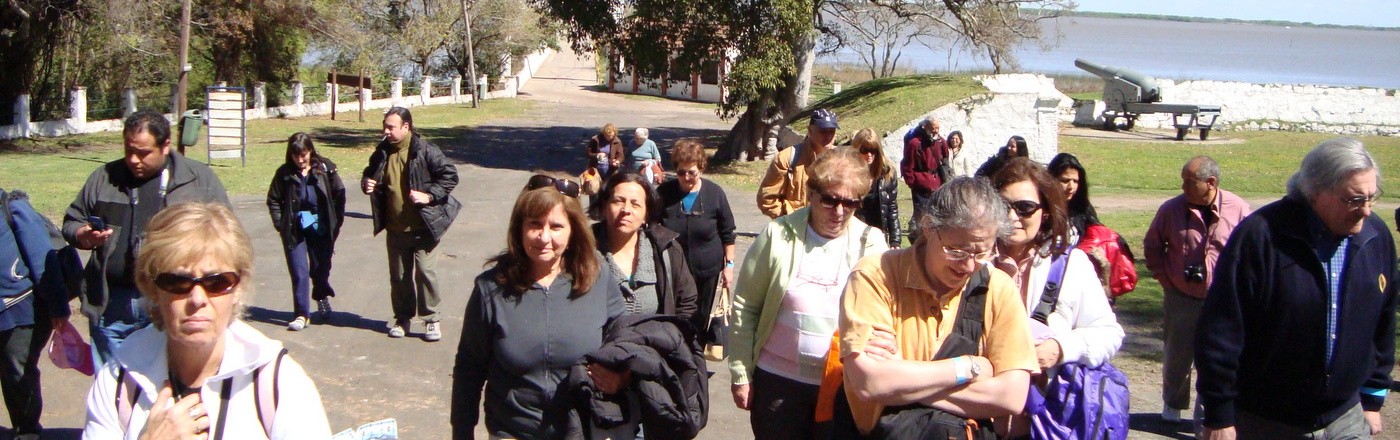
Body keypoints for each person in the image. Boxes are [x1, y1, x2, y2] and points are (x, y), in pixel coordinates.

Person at [1197, 138, 1395, 439]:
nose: (1365, 210)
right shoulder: (1262, 237)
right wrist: (1219, 414)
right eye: (1354, 199)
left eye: (1371, 197)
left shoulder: (1375, 236)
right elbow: (1221, 330)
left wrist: (1372, 398)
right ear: (1314, 191)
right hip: (1267, 421)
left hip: (1346, 417)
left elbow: (1382, 320)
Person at [81, 202, 332, 439]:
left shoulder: (278, 383)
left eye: (217, 282)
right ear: (152, 288)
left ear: (238, 288)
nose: (197, 299)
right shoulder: (120, 380)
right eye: (177, 282)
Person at [838, 177, 1036, 437]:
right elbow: (869, 383)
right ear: (929, 227)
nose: (968, 266)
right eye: (956, 251)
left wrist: (900, 384)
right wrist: (968, 367)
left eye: (982, 253)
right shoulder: (875, 276)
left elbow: (1011, 397)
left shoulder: (999, 288)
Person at [729, 148, 888, 439]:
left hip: (841, 387)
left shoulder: (872, 243)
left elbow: (886, 318)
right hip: (778, 385)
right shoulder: (778, 235)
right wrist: (740, 373)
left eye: (850, 203)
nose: (839, 212)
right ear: (811, 193)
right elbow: (745, 305)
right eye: (830, 200)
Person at [451, 177, 624, 440]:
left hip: (583, 431)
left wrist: (621, 378)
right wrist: (461, 433)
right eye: (534, 225)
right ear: (519, 229)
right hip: (512, 431)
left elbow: (625, 345)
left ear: (573, 230)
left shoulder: (598, 278)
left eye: (556, 226)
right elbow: (469, 368)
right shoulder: (491, 289)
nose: (544, 237)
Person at [62, 110, 230, 363]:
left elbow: (226, 236)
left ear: (165, 146)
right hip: (111, 305)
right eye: (129, 150)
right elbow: (73, 220)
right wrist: (83, 235)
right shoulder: (104, 178)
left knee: (161, 384)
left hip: (171, 301)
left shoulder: (197, 181)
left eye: (143, 153)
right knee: (112, 389)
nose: (133, 160)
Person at [990, 158, 1125, 436]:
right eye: (1004, 207)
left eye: (1025, 208)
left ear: (1047, 212)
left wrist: (1059, 348)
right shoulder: (976, 262)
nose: (1012, 218)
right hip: (981, 417)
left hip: (1046, 420)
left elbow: (1109, 333)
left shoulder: (1071, 264)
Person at [1143, 155, 1250, 425]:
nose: (1183, 188)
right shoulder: (1171, 209)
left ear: (1210, 182)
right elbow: (1153, 246)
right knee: (1178, 354)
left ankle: (1209, 412)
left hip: (1222, 299)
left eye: (1189, 182)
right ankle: (1173, 404)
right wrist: (1165, 280)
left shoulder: (1238, 209)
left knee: (1218, 356)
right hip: (1181, 297)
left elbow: (1251, 252)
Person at [361, 107, 461, 342]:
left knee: (425, 272)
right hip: (395, 228)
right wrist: (367, 183)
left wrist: (429, 196)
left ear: (406, 127)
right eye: (385, 126)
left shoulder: (424, 150)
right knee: (399, 276)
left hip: (423, 226)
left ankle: (431, 320)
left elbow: (450, 175)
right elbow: (370, 173)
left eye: (391, 127)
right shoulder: (382, 151)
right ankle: (402, 318)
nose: (386, 131)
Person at [1, 189, 69, 440]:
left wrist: (58, 306)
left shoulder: (12, 208)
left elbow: (43, 260)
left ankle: (27, 430)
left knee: (17, 370)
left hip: (20, 309)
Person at [591, 172, 700, 324]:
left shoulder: (667, 249)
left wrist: (670, 338)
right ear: (604, 207)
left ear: (646, 215)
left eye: (635, 204)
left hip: (652, 345)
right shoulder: (582, 250)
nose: (626, 210)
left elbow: (686, 303)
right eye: (618, 201)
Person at [657, 139, 737, 345]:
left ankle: (696, 356)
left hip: (706, 271)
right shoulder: (664, 194)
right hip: (672, 270)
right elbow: (651, 227)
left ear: (701, 168)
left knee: (700, 319)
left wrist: (729, 266)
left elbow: (728, 232)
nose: (686, 177)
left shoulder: (715, 193)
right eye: (681, 172)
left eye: (691, 172)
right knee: (672, 316)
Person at [266, 133, 347, 331]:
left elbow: (339, 195)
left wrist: (335, 223)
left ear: (310, 151)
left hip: (320, 226)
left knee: (320, 269)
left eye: (303, 155)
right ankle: (302, 314)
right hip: (295, 229)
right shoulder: (284, 173)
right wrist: (281, 224)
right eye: (296, 156)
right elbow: (273, 199)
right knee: (299, 272)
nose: (300, 160)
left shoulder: (325, 168)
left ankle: (321, 295)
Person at [756, 108, 840, 219]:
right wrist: (789, 219)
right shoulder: (787, 158)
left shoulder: (842, 161)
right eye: (823, 131)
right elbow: (767, 198)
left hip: (828, 229)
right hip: (794, 229)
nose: (828, 137)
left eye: (831, 131)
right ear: (810, 130)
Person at [851, 128, 902, 248]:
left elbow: (892, 207)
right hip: (854, 233)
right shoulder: (849, 172)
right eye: (864, 150)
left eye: (873, 150)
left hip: (878, 233)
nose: (869, 155)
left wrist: (895, 240)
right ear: (856, 149)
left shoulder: (887, 172)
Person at [900, 116, 948, 242]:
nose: (936, 131)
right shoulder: (915, 144)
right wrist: (913, 183)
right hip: (921, 187)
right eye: (933, 128)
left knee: (937, 215)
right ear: (925, 127)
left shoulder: (941, 142)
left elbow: (945, 160)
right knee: (922, 217)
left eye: (937, 128)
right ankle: (919, 241)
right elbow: (907, 165)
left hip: (937, 185)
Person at [1047, 152, 1100, 244]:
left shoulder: (1083, 209)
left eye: (1075, 181)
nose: (1071, 186)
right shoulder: (1041, 209)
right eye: (1065, 180)